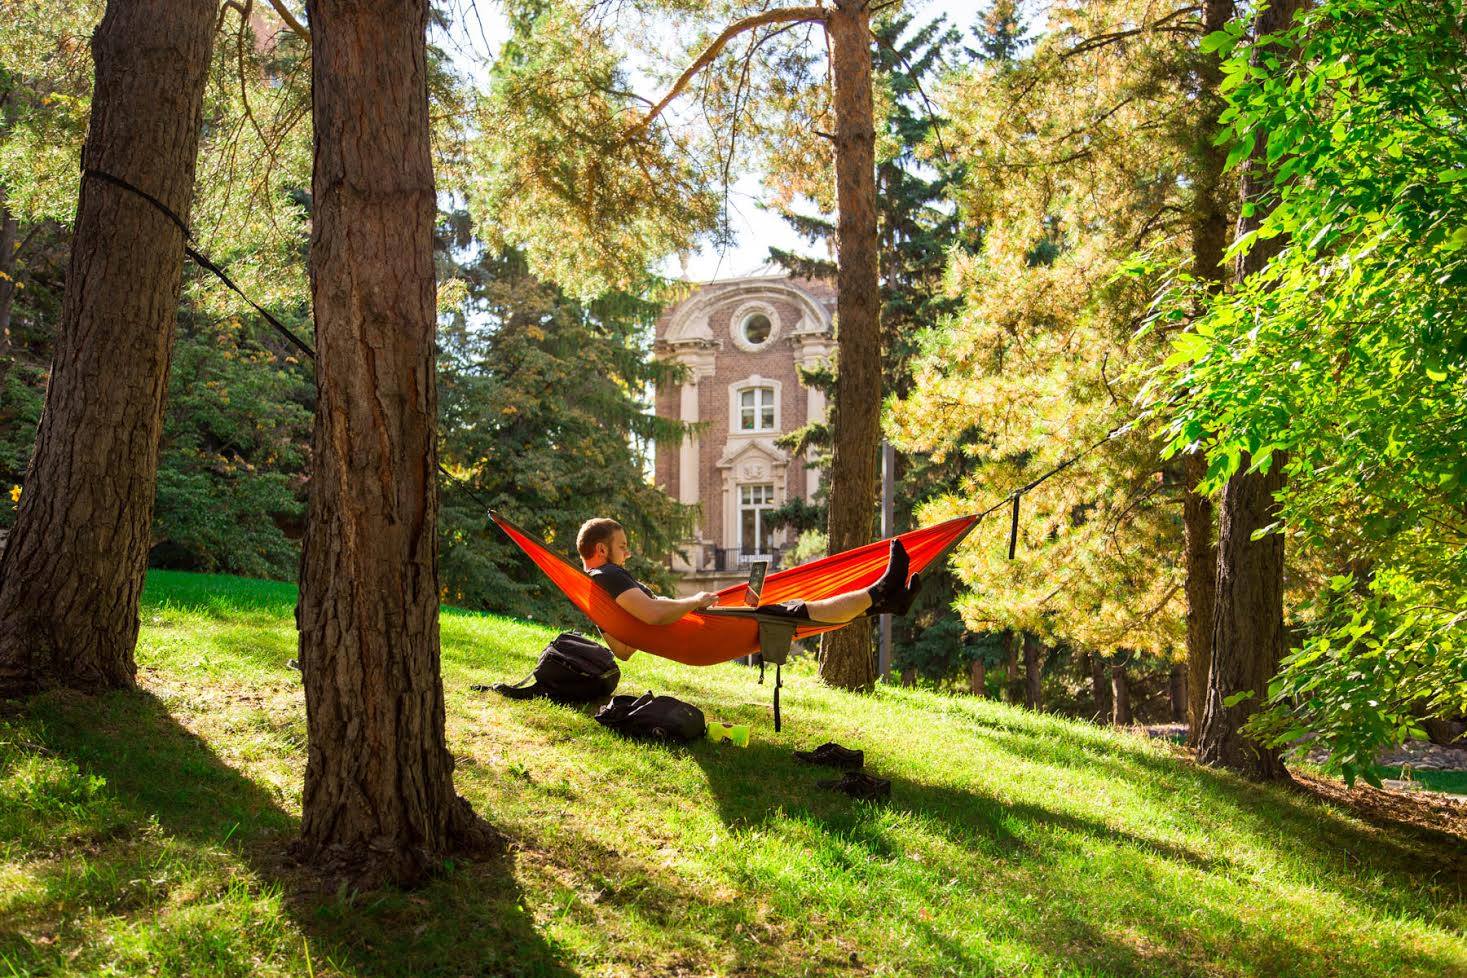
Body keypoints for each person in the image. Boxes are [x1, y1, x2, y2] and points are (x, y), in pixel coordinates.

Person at [576, 517, 921, 661]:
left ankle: (885, 603)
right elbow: (652, 614)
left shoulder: (596, 590)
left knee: (794, 616)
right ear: (602, 549)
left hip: (691, 643)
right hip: (699, 636)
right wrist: (695, 600)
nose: (628, 554)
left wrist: (611, 620)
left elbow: (623, 650)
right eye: (622, 547)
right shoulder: (608, 574)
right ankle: (879, 592)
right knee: (795, 612)